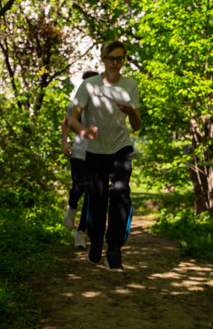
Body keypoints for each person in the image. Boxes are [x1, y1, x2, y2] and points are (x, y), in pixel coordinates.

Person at [67, 40, 141, 272]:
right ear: (103, 59)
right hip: (95, 151)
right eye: (111, 58)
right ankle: (96, 242)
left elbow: (137, 125)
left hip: (121, 148)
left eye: (119, 59)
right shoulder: (89, 85)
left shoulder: (130, 85)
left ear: (124, 60)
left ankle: (114, 250)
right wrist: (83, 131)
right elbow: (71, 119)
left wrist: (131, 112)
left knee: (120, 193)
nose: (115, 63)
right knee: (97, 201)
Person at [62, 71, 99, 248]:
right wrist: (64, 143)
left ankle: (81, 232)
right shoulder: (74, 105)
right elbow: (66, 123)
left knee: (92, 193)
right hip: (78, 153)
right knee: (78, 186)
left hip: (98, 154)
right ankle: (71, 207)